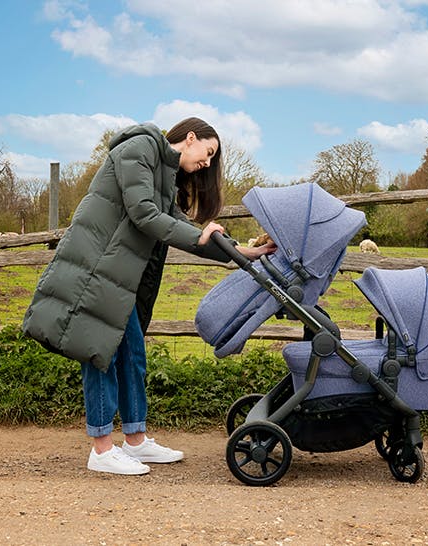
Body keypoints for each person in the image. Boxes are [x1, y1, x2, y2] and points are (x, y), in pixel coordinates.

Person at [23, 117, 276, 475]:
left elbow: (180, 226)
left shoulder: (164, 174)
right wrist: (200, 236)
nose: (207, 162)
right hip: (98, 267)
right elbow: (144, 214)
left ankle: (136, 441)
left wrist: (241, 252)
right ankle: (101, 448)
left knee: (132, 354)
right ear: (190, 138)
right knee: (99, 352)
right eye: (208, 152)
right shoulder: (139, 148)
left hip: (118, 274)